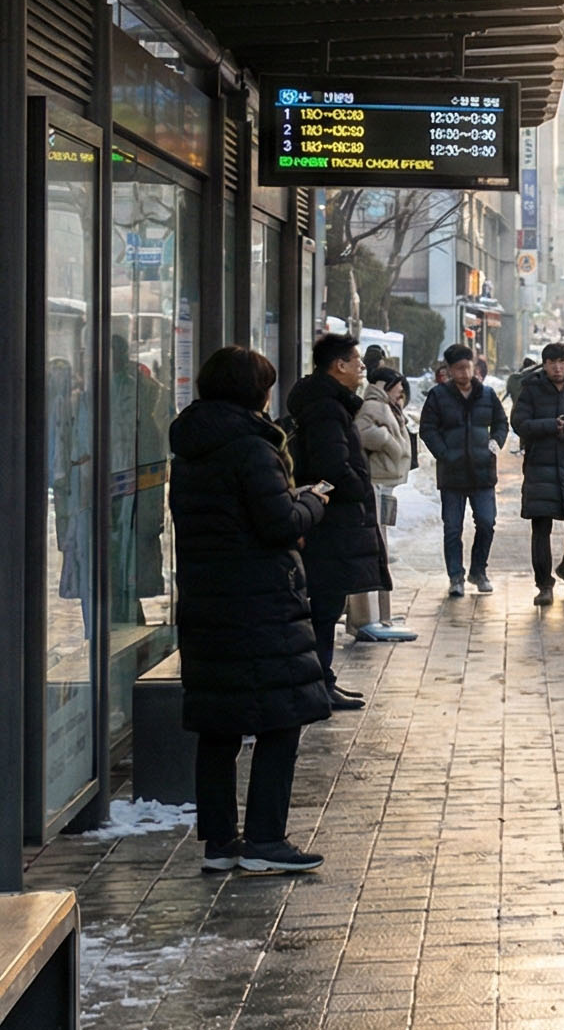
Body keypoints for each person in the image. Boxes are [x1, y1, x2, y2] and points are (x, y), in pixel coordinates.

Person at [171, 346, 333, 875]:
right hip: (258, 604)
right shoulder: (252, 448)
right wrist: (312, 504)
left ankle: (220, 843)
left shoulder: (192, 447)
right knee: (281, 719)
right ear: (253, 392)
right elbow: (278, 524)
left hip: (208, 602)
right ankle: (265, 838)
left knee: (219, 726)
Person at [285, 333, 386, 711]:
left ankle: (322, 680)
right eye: (356, 361)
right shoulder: (327, 409)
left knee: (327, 604)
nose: (362, 367)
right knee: (326, 606)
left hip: (330, 519)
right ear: (338, 365)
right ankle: (318, 683)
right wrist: (358, 484)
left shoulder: (326, 402)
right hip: (331, 521)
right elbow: (331, 466)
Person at [419, 343, 509, 598]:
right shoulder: (438, 396)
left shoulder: (487, 394)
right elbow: (428, 429)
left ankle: (479, 571)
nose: (464, 373)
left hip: (483, 472)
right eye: (458, 368)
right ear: (449, 370)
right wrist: (444, 453)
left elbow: (501, 422)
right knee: (452, 528)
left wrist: (496, 442)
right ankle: (455, 576)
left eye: (468, 367)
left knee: (486, 523)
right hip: (452, 474)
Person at [510, 342, 564, 608]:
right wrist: (551, 425)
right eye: (552, 362)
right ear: (544, 365)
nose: (558, 367)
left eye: (562, 361)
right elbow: (519, 423)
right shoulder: (531, 388)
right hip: (540, 466)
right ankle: (544, 585)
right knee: (540, 528)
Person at [350, 369, 419, 644]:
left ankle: (382, 615)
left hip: (383, 484)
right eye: (398, 390)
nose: (400, 395)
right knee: (377, 548)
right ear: (385, 386)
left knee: (381, 548)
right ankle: (373, 617)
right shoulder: (374, 405)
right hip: (375, 483)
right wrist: (388, 441)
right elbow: (362, 432)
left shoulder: (386, 405)